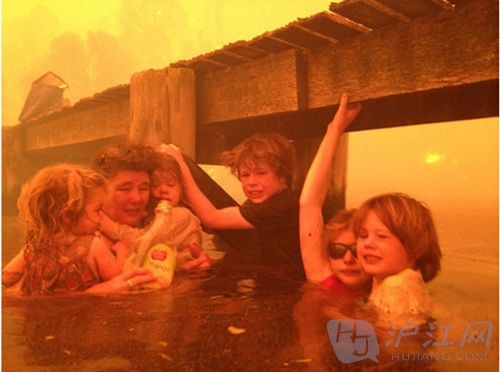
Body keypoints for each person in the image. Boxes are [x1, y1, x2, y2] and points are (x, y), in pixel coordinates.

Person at [161, 132, 305, 279]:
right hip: (269, 278)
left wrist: (181, 166)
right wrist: (213, 265)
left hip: (289, 289)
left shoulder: (284, 204)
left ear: (282, 176)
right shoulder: (259, 203)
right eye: (245, 175)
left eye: (261, 173)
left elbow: (212, 218)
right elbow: (249, 256)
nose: (251, 182)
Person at [1, 164, 156, 294]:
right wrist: (122, 251)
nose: (101, 217)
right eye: (97, 210)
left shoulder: (34, 248)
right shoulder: (93, 246)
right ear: (68, 216)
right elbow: (121, 281)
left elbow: (5, 279)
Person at [91, 141, 211, 280]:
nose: (137, 198)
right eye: (124, 188)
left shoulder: (153, 221)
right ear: (98, 191)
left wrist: (188, 271)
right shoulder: (87, 241)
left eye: (144, 188)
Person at [299, 93, 370, 299]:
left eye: (357, 250)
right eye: (337, 250)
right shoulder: (323, 279)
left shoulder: (386, 293)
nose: (348, 259)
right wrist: (335, 130)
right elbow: (309, 204)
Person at [353, 192, 442, 318]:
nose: (368, 243)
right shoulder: (409, 282)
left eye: (382, 236)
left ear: (414, 247)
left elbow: (393, 336)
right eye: (363, 235)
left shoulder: (394, 289)